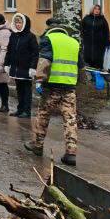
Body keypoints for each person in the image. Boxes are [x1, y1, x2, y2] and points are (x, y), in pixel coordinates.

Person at [24, 16, 82, 166]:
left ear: (49, 28)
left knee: (43, 115)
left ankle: (37, 145)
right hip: (69, 88)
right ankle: (71, 153)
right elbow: (80, 65)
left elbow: (44, 62)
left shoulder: (48, 40)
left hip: (52, 87)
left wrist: (38, 80)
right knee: (70, 119)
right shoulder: (74, 42)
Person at [5, 12, 39, 118]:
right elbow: (9, 51)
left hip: (26, 68)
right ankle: (20, 109)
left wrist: (33, 68)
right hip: (16, 67)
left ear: (25, 23)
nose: (17, 24)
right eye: (16, 22)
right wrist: (7, 64)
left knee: (26, 90)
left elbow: (35, 53)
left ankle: (26, 111)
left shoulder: (31, 37)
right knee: (19, 89)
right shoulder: (13, 35)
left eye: (19, 22)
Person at [81, 4, 110, 71]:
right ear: (92, 10)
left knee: (98, 60)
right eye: (95, 9)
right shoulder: (86, 18)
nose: (97, 10)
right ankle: (90, 75)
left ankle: (98, 74)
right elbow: (81, 29)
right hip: (88, 43)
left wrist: (107, 42)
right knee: (88, 59)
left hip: (99, 44)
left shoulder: (102, 20)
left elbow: (106, 31)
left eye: (98, 9)